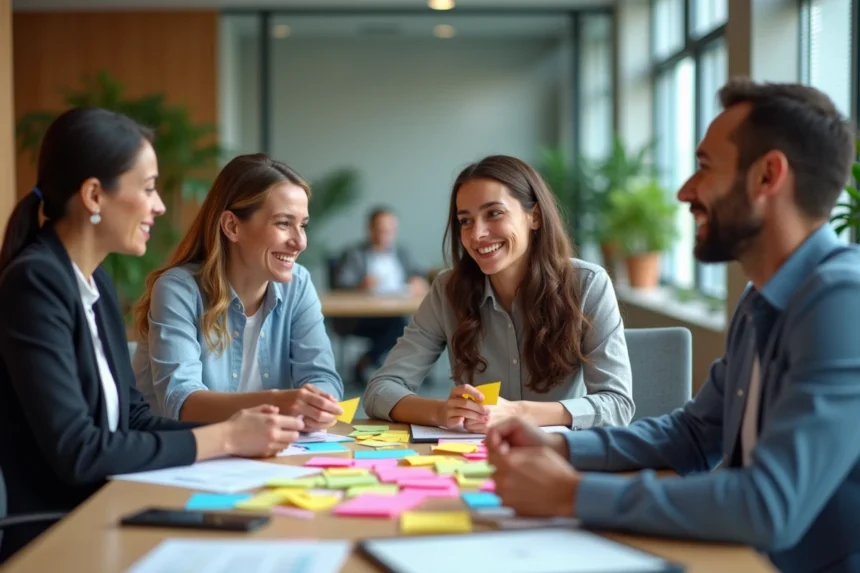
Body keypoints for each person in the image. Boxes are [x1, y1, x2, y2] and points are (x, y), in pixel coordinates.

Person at [485, 79, 860, 573]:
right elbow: (692, 434)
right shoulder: (761, 301)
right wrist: (559, 444)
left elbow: (769, 505)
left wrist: (570, 492)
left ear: (768, 175)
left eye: (704, 167)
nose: (686, 190)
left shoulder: (841, 301)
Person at [0, 108, 304, 561]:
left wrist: (244, 434)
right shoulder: (35, 283)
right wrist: (225, 439)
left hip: (112, 511)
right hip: (59, 535)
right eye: (147, 188)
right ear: (94, 196)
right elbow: (79, 451)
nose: (159, 205)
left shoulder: (94, 280)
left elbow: (133, 419)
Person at [363, 155, 634, 430]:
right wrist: (442, 411)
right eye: (465, 221)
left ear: (535, 216)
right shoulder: (447, 291)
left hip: (559, 459)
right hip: (475, 461)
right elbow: (379, 390)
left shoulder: (588, 285)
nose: (477, 234)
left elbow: (617, 405)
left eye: (494, 213)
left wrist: (518, 412)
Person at [132, 153, 344, 428]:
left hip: (263, 455)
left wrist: (320, 403)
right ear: (232, 226)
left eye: (302, 225)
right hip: (183, 457)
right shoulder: (178, 290)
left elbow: (322, 376)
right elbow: (181, 403)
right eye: (283, 223)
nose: (300, 242)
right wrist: (279, 402)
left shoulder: (299, 284)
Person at [333, 207, 430, 383]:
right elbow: (340, 285)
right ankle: (370, 364)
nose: (385, 234)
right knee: (399, 326)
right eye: (380, 229)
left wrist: (419, 282)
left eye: (389, 230)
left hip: (394, 310)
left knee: (402, 324)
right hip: (361, 316)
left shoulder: (402, 252)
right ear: (370, 229)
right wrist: (360, 286)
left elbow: (419, 275)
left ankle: (367, 362)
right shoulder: (354, 253)